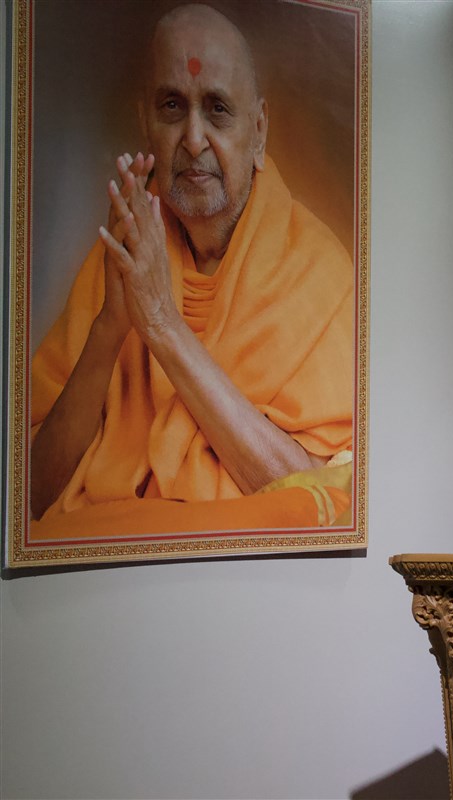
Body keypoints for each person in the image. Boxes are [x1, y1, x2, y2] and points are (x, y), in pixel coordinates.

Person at [27, 3, 355, 540]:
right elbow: (30, 493)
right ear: (146, 124)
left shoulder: (320, 276)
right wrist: (110, 328)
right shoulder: (122, 258)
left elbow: (317, 501)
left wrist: (160, 323)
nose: (195, 139)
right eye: (173, 107)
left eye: (218, 109)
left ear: (259, 130)